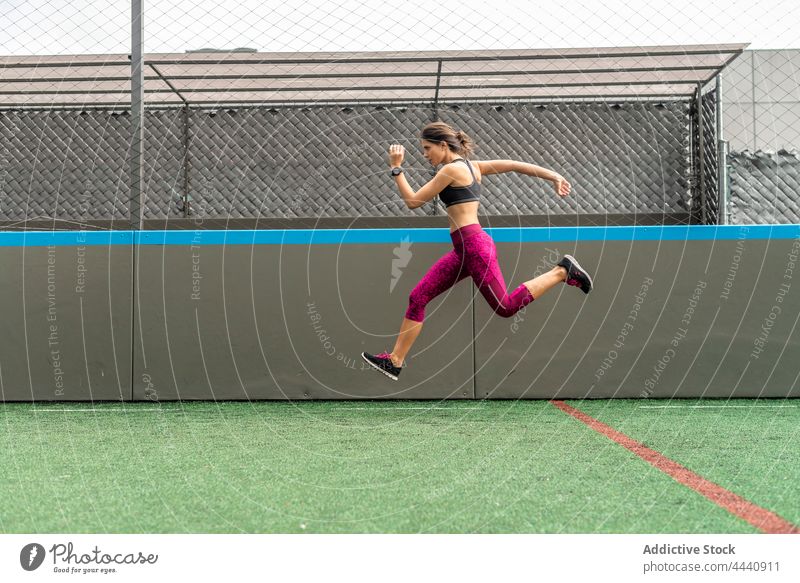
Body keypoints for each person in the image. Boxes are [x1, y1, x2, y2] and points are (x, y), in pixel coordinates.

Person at [362, 121, 593, 381]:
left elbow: (413, 201)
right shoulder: (474, 167)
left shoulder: (450, 170)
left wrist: (396, 168)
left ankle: (562, 271)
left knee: (505, 307)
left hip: (474, 248)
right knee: (418, 297)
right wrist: (554, 175)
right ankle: (395, 361)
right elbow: (515, 165)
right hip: (464, 250)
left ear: (442, 145)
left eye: (427, 148)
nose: (425, 155)